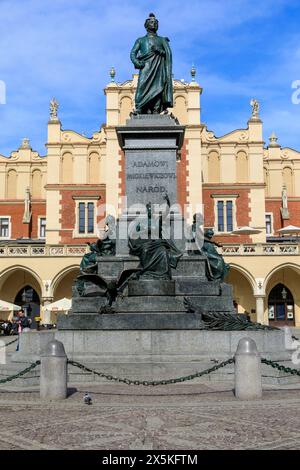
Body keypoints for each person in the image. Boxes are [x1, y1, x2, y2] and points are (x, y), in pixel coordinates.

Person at [128, 194, 182, 279]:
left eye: (151, 210)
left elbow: (166, 214)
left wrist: (168, 202)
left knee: (163, 252)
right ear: (147, 211)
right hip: (145, 243)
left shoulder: (157, 221)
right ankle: (146, 271)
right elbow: (135, 234)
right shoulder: (141, 222)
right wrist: (144, 231)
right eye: (148, 210)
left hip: (156, 243)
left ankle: (162, 274)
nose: (150, 211)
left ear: (153, 211)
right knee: (145, 250)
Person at [130, 13, 173, 114]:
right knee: (142, 86)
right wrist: (137, 62)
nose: (154, 24)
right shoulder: (141, 40)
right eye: (151, 22)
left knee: (158, 87)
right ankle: (140, 107)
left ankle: (156, 108)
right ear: (146, 25)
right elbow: (133, 53)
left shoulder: (162, 40)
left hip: (158, 68)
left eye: (155, 23)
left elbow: (167, 54)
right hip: (146, 67)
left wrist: (158, 50)